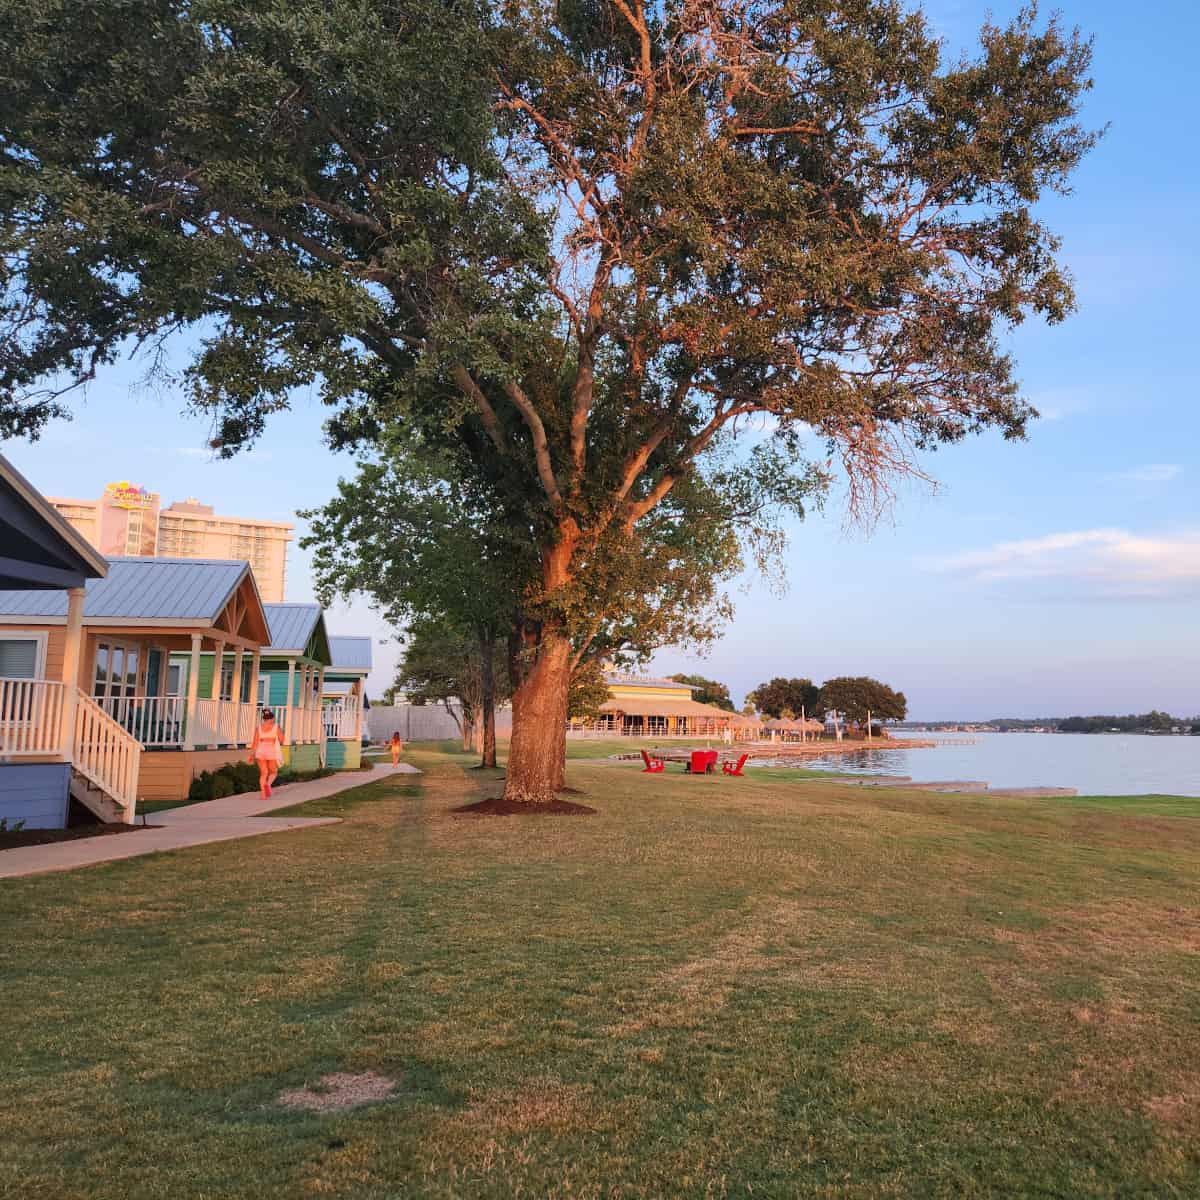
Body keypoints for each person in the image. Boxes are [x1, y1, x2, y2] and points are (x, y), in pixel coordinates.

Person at [249, 708, 287, 798]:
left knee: (263, 773)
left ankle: (263, 794)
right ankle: (268, 785)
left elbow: (254, 743)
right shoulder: (276, 727)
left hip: (260, 750)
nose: (274, 720)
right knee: (273, 772)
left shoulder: (258, 728)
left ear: (264, 719)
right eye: (273, 718)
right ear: (271, 718)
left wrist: (251, 755)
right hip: (271, 751)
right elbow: (282, 740)